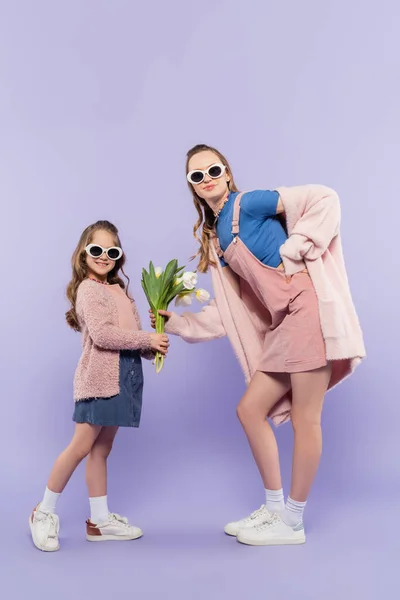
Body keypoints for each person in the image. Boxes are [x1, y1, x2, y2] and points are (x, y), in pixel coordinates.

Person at [150, 144, 365, 546]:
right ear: (193, 188)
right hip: (286, 323)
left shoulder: (249, 203)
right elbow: (234, 312)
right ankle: (273, 508)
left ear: (227, 173)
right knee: (250, 410)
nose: (206, 178)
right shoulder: (219, 240)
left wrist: (296, 246)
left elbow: (326, 198)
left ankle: (293, 522)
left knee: (306, 419)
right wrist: (177, 324)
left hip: (308, 310)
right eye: (196, 176)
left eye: (212, 169)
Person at [30, 220, 169, 552]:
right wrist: (144, 338)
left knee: (101, 450)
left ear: (119, 257)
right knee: (81, 446)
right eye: (96, 250)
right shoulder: (88, 290)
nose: (104, 256)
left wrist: (154, 343)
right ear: (83, 253)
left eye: (111, 251)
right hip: (99, 379)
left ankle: (99, 520)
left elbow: (134, 342)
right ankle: (43, 512)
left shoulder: (121, 291)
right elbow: (104, 335)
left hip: (124, 378)